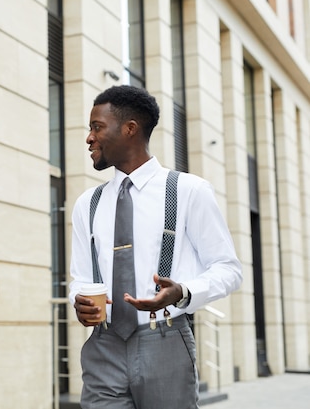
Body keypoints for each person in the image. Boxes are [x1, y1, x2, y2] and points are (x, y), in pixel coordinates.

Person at [69, 85, 242, 409]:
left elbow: (229, 270)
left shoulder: (189, 191)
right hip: (103, 347)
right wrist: (80, 302)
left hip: (164, 342)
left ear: (130, 129)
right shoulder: (87, 204)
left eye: (97, 127)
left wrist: (183, 291)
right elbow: (79, 277)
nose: (89, 138)